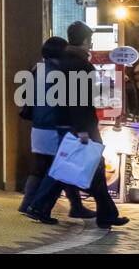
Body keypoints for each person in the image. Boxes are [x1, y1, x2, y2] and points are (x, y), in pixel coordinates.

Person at [22, 22, 128, 228]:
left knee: (83, 168)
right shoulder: (79, 65)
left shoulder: (65, 62)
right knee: (70, 168)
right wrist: (82, 130)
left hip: (68, 124)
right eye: (90, 40)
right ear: (85, 40)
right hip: (80, 127)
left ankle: (105, 213)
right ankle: (39, 206)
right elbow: (79, 101)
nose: (91, 44)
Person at [17, 37, 94, 219]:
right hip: (55, 125)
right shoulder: (61, 71)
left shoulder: (37, 69)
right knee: (61, 167)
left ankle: (27, 203)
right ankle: (69, 206)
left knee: (42, 166)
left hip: (37, 125)